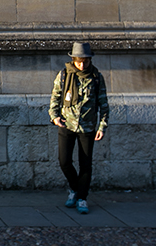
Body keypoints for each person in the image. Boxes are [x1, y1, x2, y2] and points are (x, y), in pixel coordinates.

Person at [48, 42, 109, 215]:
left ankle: (82, 198)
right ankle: (75, 189)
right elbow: (55, 97)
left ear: (89, 60)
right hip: (67, 124)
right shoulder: (64, 75)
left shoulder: (96, 77)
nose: (82, 65)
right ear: (73, 59)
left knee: (85, 164)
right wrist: (54, 117)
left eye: (85, 61)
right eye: (79, 61)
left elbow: (103, 104)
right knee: (64, 161)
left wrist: (102, 126)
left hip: (88, 127)